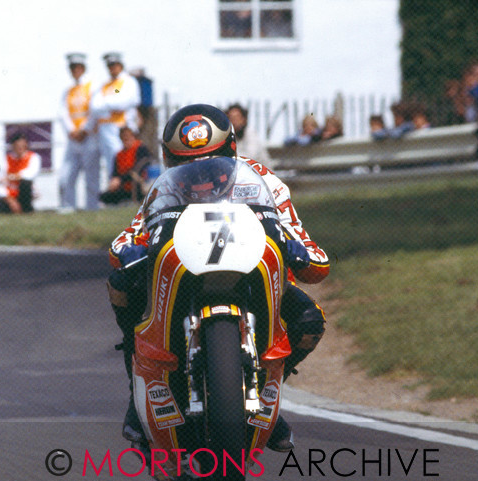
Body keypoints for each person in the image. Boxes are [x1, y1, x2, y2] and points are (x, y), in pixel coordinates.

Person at [107, 104, 330, 452]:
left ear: (231, 150)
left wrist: (301, 250)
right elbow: (129, 237)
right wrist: (132, 250)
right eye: (186, 165)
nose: (202, 172)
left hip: (254, 275)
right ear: (170, 162)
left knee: (309, 321)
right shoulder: (162, 189)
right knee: (121, 285)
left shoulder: (265, 180)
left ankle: (265, 395)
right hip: (185, 273)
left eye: (213, 159)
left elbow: (301, 239)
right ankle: (136, 396)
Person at [88, 52, 141, 196]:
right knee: (110, 163)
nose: (112, 68)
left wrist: (106, 102)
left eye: (115, 65)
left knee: (124, 161)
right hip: (105, 129)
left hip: (121, 127)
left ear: (120, 65)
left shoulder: (126, 82)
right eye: (110, 65)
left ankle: (127, 193)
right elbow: (94, 105)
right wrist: (110, 101)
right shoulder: (106, 85)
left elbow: (123, 101)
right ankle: (114, 193)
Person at [58, 52, 100, 212]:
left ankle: (92, 207)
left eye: (78, 67)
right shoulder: (67, 90)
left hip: (88, 137)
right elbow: (62, 113)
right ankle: (69, 206)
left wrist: (85, 130)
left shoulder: (92, 87)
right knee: (67, 175)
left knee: (91, 176)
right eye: (72, 67)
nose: (75, 70)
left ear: (83, 68)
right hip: (73, 139)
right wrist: (71, 131)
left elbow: (94, 111)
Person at [99, 127, 153, 205]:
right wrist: (114, 181)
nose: (126, 141)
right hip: (124, 187)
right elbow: (115, 173)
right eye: (124, 138)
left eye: (128, 138)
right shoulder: (119, 155)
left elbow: (138, 169)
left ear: (133, 137)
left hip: (138, 186)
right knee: (104, 196)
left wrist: (120, 179)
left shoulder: (141, 149)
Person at [0, 133, 41, 214]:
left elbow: (29, 175)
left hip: (23, 194)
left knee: (25, 183)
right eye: (17, 146)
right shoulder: (6, 160)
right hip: (10, 195)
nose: (20, 148)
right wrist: (10, 200)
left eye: (22, 145)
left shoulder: (33, 158)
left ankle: (26, 210)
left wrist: (10, 177)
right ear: (13, 146)